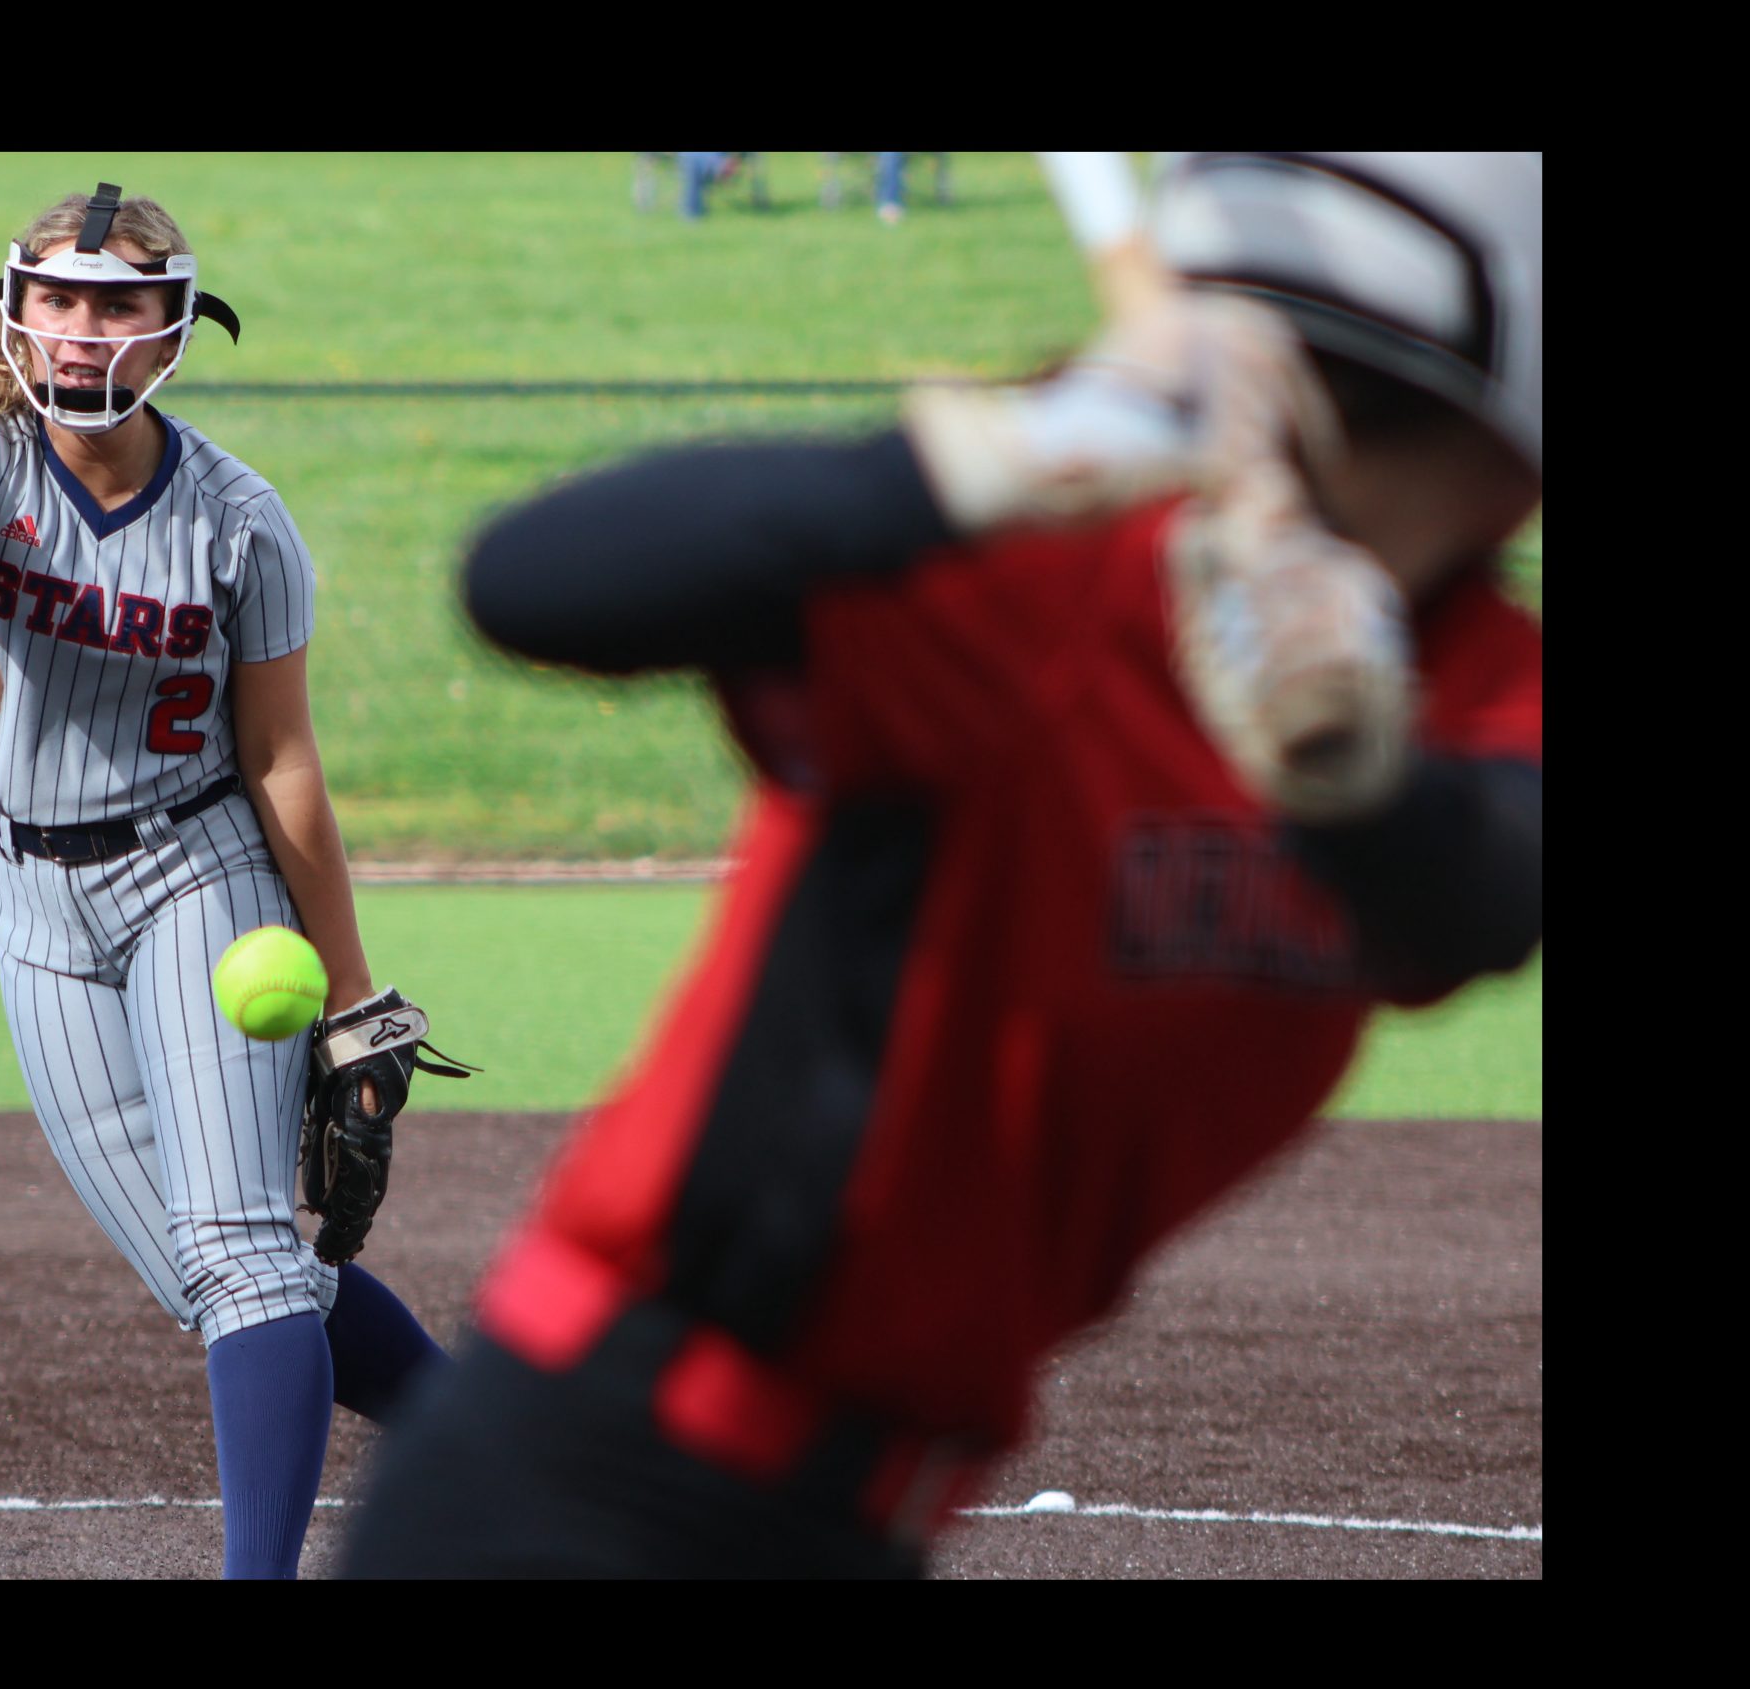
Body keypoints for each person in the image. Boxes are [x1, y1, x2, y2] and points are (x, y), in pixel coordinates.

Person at [340, 151, 1542, 1578]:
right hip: (585, 1472)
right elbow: (534, 582)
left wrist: (1363, 781)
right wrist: (997, 457)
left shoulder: (1478, 681)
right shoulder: (1061, 577)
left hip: (864, 1516)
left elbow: (1482, 899)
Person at [0, 183, 460, 1579]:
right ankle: (508, 1445)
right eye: (59, 298)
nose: (83, 329)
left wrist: (352, 993)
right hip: (34, 904)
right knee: (216, 1275)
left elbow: (282, 759)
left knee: (245, 1254)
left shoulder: (240, 522)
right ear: (15, 311)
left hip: (198, 876)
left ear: (176, 325)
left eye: (118, 303)